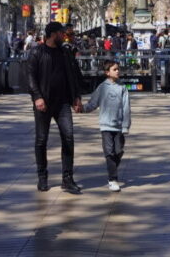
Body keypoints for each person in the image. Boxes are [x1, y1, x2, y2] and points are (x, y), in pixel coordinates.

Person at [26, 20, 84, 193]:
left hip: (63, 103)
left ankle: (67, 178)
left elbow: (73, 76)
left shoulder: (65, 52)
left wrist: (76, 97)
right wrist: (37, 97)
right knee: (41, 139)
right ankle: (42, 176)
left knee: (68, 137)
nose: (63, 36)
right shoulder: (37, 52)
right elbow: (30, 77)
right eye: (61, 33)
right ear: (53, 34)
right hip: (44, 103)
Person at [82, 59, 132, 191]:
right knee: (109, 152)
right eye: (114, 69)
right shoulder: (102, 87)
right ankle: (113, 179)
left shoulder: (122, 88)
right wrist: (82, 108)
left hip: (119, 126)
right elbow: (93, 103)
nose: (117, 71)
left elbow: (126, 108)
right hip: (106, 126)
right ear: (107, 72)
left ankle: (112, 169)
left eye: (118, 69)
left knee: (119, 151)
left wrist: (125, 125)